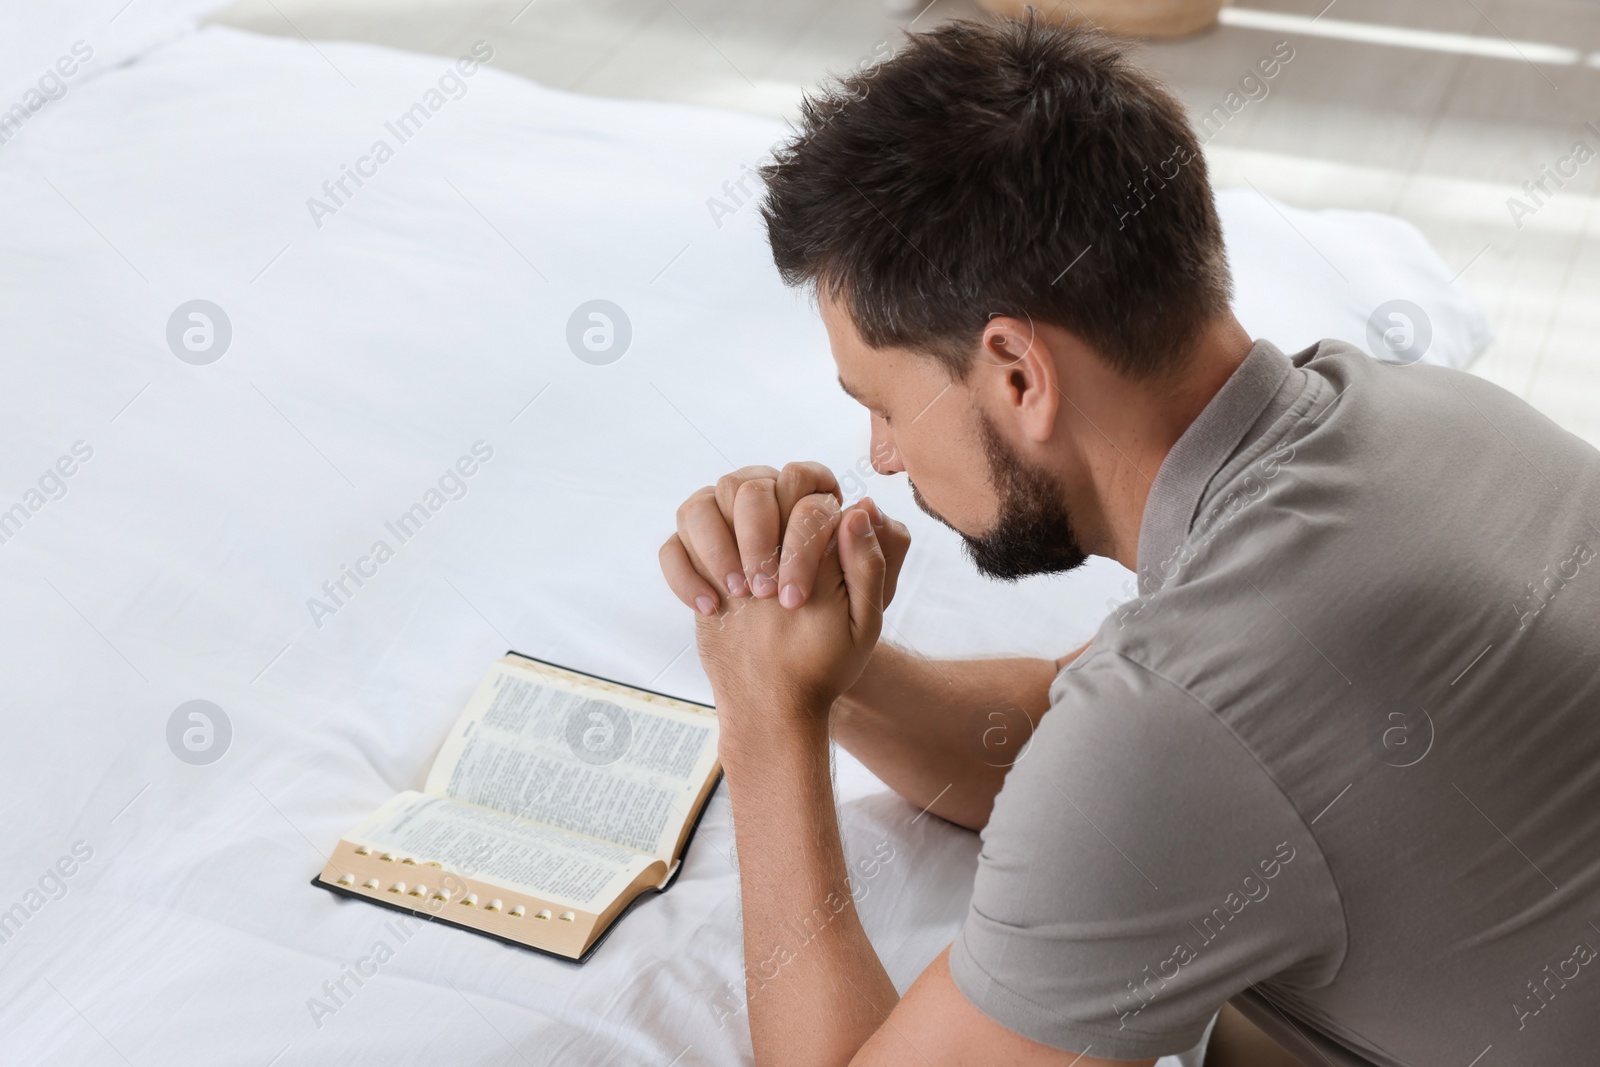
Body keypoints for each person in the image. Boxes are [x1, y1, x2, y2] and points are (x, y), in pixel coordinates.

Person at [657, 15, 1600, 1067]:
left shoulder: (1184, 712)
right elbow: (1049, 738)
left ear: (1017, 373)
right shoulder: (1422, 412)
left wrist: (763, 718)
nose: (878, 455)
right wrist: (833, 665)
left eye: (882, 403)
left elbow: (1154, 751)